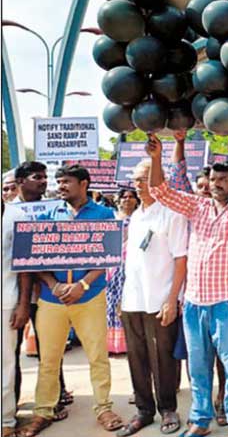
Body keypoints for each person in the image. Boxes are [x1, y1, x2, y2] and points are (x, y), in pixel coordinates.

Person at [147, 135, 228, 437]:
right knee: (198, 369)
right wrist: (156, 157)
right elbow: (159, 191)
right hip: (194, 303)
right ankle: (200, 421)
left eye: (223, 179)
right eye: (213, 178)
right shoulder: (197, 206)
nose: (215, 183)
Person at [22, 164, 123, 437]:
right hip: (51, 300)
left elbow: (108, 257)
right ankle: (43, 411)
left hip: (90, 296)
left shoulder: (103, 214)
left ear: (84, 184)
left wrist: (82, 284)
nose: (60, 186)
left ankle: (103, 407)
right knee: (49, 359)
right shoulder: (47, 214)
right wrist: (54, 285)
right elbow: (33, 257)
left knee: (97, 356)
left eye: (66, 181)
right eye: (59, 181)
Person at [115, 160, 187, 437]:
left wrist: (173, 299)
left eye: (143, 179)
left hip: (160, 299)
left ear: (158, 180)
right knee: (137, 357)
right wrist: (123, 296)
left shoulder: (172, 214)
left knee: (164, 358)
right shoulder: (135, 217)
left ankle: (168, 408)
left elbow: (181, 260)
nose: (137, 185)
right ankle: (144, 410)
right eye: (134, 180)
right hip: (133, 299)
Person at [2, 200, 31, 437]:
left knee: (6, 362)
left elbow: (24, 265)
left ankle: (6, 420)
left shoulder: (17, 216)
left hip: (7, 300)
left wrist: (23, 304)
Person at [106, 188, 140, 356]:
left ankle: (127, 343)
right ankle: (112, 344)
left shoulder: (140, 217)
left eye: (131, 197)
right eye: (124, 197)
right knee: (111, 302)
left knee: (126, 302)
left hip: (132, 265)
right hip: (112, 266)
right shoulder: (110, 218)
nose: (127, 200)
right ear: (117, 200)